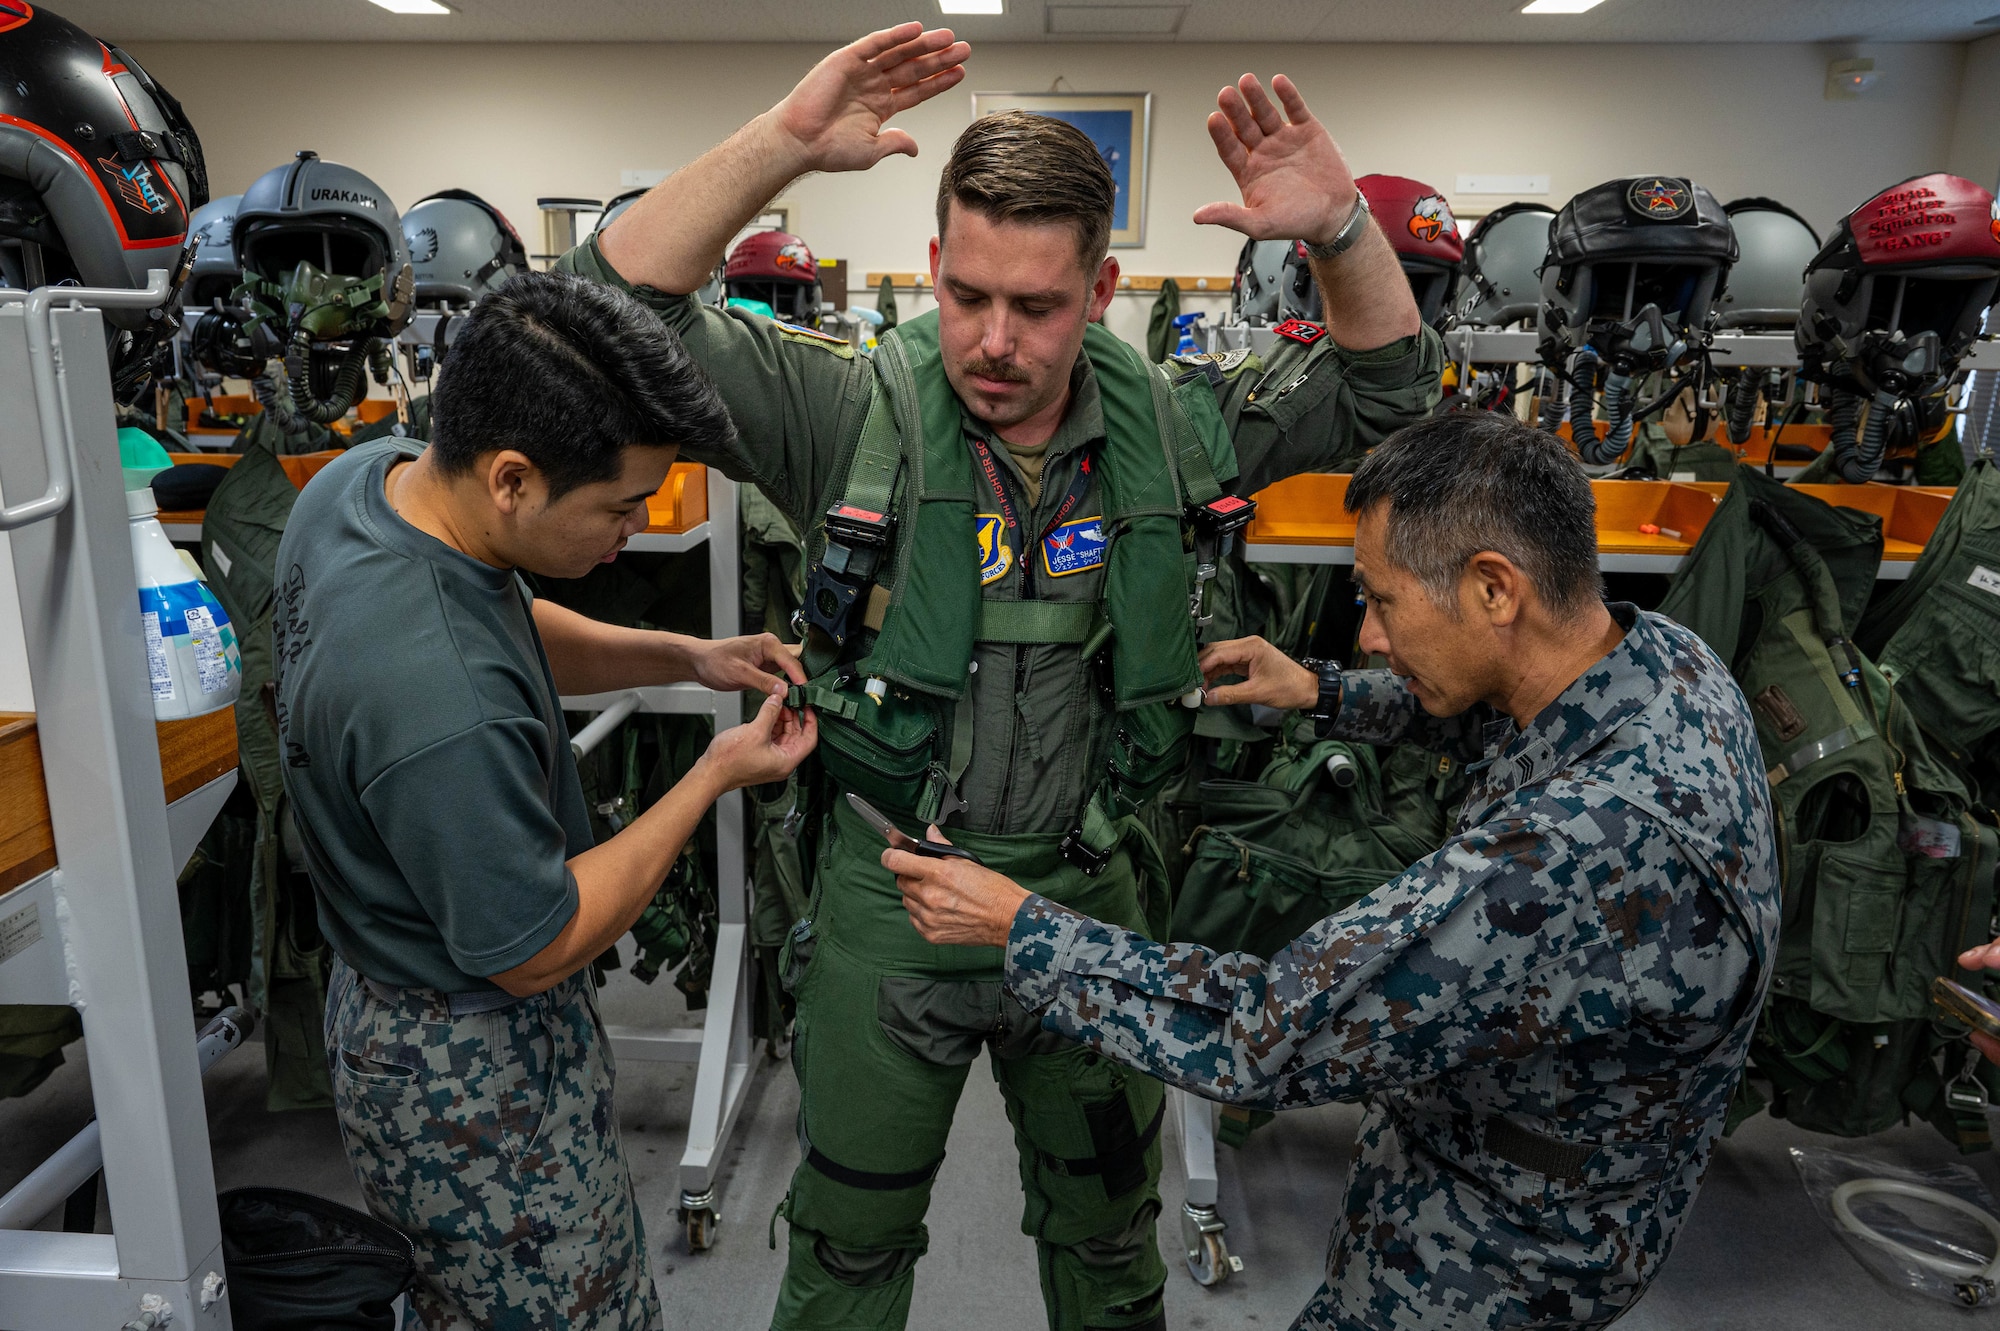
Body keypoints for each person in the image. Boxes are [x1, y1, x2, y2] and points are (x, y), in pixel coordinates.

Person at [563, 22, 1439, 1329]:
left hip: (1092, 898)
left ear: (1100, 290)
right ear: (931, 267)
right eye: (967, 293)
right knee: (846, 1251)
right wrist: (787, 145)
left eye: (1035, 305)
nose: (993, 338)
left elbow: (1395, 402)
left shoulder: (1180, 421)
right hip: (892, 898)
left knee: (1107, 1251)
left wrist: (1344, 234)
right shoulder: (849, 411)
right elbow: (605, 311)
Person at [891, 413, 1781, 1331]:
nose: (1367, 634)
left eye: (1382, 600)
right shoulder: (1662, 665)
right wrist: (1321, 692)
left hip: (1486, 1259)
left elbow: (1261, 1030)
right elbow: (1505, 713)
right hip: (1559, 1182)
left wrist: (1022, 928)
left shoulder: (1578, 854)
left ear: (1494, 588)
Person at [274, 271, 818, 1330]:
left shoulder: (367, 485)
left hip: (388, 998)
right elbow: (534, 939)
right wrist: (710, 774)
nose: (635, 526)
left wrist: (685, 656)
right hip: (469, 1067)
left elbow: (502, 616)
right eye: (619, 506)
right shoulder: (438, 701)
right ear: (514, 477)